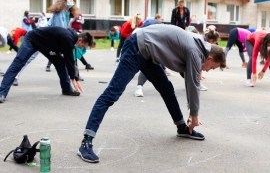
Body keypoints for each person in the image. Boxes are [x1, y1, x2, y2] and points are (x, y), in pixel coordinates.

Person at [77, 24, 226, 163]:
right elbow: (193, 84)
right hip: (136, 49)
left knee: (167, 89)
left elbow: (189, 78)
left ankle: (181, 127)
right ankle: (86, 141)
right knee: (112, 93)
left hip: (149, 55)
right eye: (211, 68)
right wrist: (194, 116)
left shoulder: (199, 46)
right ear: (209, 58)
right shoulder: (196, 51)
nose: (207, 70)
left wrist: (192, 112)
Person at [0, 26, 95, 103]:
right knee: (19, 62)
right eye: (83, 46)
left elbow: (72, 60)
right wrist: (73, 78)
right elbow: (69, 59)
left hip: (46, 46)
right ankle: (2, 93)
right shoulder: (68, 38)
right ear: (80, 40)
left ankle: (66, 89)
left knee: (60, 63)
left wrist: (76, 77)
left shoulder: (72, 38)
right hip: (32, 39)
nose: (81, 48)